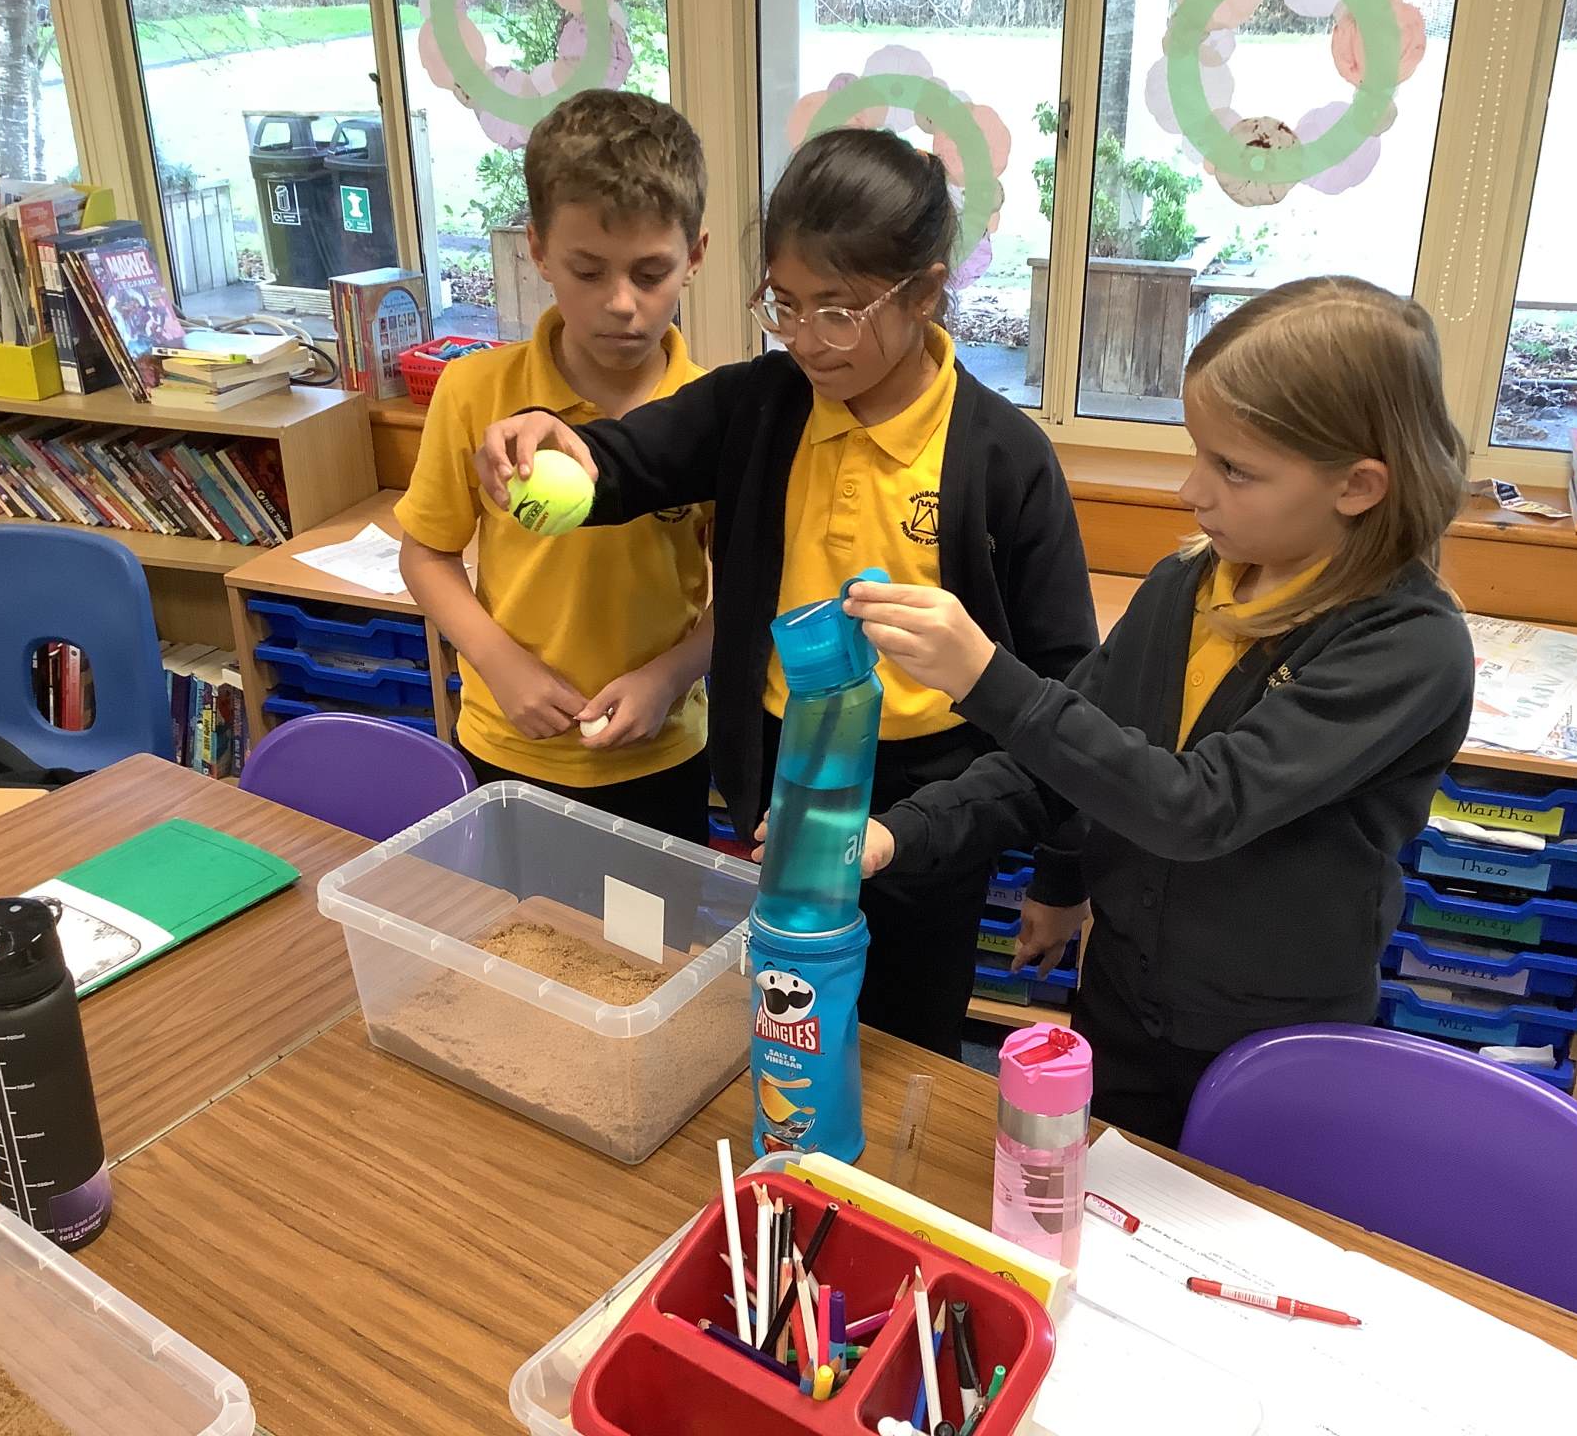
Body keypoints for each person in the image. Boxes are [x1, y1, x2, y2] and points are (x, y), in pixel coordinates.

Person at [473, 127, 1097, 1058]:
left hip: (931, 799)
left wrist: (1065, 871)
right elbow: (633, 458)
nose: (805, 340)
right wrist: (553, 438)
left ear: (925, 292)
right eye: (785, 305)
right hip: (784, 776)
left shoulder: (1004, 457)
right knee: (790, 1013)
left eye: (837, 312)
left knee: (907, 1037)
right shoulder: (762, 402)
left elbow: (1066, 684)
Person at [845, 276, 1476, 1143]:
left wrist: (988, 676)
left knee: (1234, 1219)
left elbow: (1195, 806)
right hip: (1124, 1003)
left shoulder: (1408, 647)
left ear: (1358, 486)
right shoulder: (1188, 585)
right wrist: (898, 833)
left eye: (1233, 469)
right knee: (1098, 1197)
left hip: (1272, 1043)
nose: (1191, 490)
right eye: (1197, 453)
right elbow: (1059, 767)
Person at [397, 90, 716, 845]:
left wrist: (670, 676)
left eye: (651, 272)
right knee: (512, 919)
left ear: (695, 256)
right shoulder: (475, 390)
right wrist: (499, 663)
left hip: (661, 749)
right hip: (509, 743)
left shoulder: (713, 415)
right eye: (587, 271)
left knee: (650, 926)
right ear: (537, 251)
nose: (621, 304)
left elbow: (745, 590)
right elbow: (426, 554)